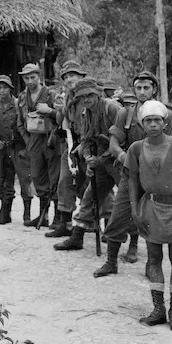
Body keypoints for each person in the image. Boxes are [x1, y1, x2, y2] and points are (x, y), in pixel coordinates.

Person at [93, 70, 172, 277]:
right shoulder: (126, 113)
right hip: (130, 175)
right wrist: (125, 157)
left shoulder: (166, 115)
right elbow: (114, 143)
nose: (142, 92)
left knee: (153, 220)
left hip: (156, 179)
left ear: (154, 90)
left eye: (146, 88)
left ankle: (152, 266)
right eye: (138, 88)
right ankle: (111, 262)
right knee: (118, 215)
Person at [127, 101, 172, 331]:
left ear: (165, 122)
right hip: (151, 209)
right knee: (154, 259)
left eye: (157, 120)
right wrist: (136, 210)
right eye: (148, 120)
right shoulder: (136, 148)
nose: (153, 124)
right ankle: (159, 309)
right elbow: (133, 181)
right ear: (142, 124)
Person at [54, 78, 123, 251]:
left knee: (126, 200)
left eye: (90, 95)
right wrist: (88, 158)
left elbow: (124, 139)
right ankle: (77, 237)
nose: (86, 100)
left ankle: (132, 244)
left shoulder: (112, 108)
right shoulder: (86, 113)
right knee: (88, 198)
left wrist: (102, 158)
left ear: (98, 93)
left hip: (120, 160)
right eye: (82, 97)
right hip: (100, 160)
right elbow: (85, 139)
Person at [46, 60, 87, 238]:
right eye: (67, 76)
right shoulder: (67, 98)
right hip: (72, 143)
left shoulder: (88, 95)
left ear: (81, 77)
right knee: (65, 181)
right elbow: (63, 122)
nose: (70, 79)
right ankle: (66, 222)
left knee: (93, 185)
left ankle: (101, 223)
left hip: (89, 145)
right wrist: (60, 109)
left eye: (73, 75)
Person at [16, 64, 60, 228]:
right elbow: (20, 122)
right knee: (37, 176)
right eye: (26, 78)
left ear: (39, 76)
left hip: (51, 139)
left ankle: (57, 217)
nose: (29, 81)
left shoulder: (51, 94)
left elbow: (62, 117)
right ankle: (43, 215)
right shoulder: (22, 97)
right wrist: (27, 140)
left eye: (32, 77)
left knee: (54, 176)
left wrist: (49, 110)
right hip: (33, 140)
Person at [0, 75, 33, 225]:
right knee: (5, 181)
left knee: (24, 180)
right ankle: (6, 213)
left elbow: (26, 125)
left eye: (5, 87)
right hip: (3, 149)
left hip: (18, 148)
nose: (2, 91)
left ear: (10, 89)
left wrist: (26, 148)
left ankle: (27, 214)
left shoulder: (17, 104)